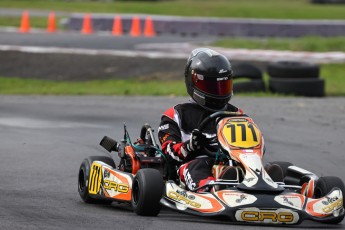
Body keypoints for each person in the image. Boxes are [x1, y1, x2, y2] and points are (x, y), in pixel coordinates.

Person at [158, 48, 248, 192]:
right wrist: (190, 146)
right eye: (212, 86)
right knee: (197, 167)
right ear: (194, 82)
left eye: (222, 85)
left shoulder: (236, 114)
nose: (218, 92)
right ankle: (214, 188)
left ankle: (265, 182)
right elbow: (168, 152)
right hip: (192, 163)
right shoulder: (176, 114)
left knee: (254, 168)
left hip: (230, 162)